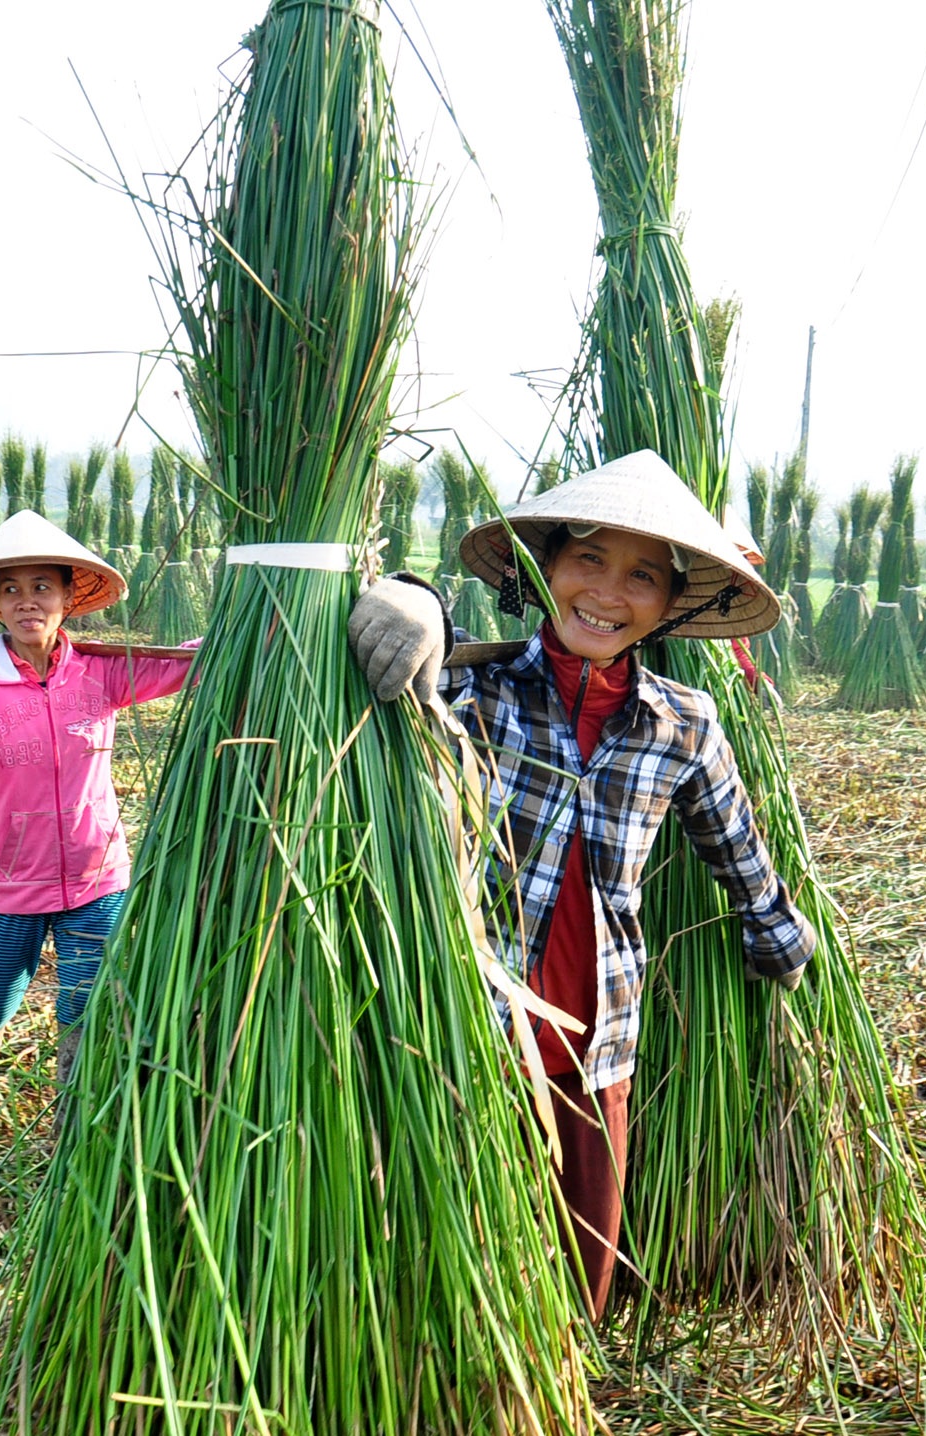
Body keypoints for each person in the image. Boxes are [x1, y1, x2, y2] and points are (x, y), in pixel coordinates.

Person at [347, 449, 815, 1320]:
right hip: (470, 1031)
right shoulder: (467, 687)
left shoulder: (683, 725)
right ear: (545, 567)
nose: (608, 590)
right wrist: (410, 595)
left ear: (671, 605)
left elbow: (738, 849)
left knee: (578, 1269)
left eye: (643, 575)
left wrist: (781, 938)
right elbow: (379, 655)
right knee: (461, 1268)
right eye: (588, 559)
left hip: (598, 1044)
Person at [0, 509, 194, 1136]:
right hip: (10, 878)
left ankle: (77, 1116)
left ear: (70, 597)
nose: (26, 602)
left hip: (98, 876)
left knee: (86, 1002)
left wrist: (254, 620)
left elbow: (185, 664)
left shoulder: (99, 672)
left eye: (42, 586)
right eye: (11, 589)